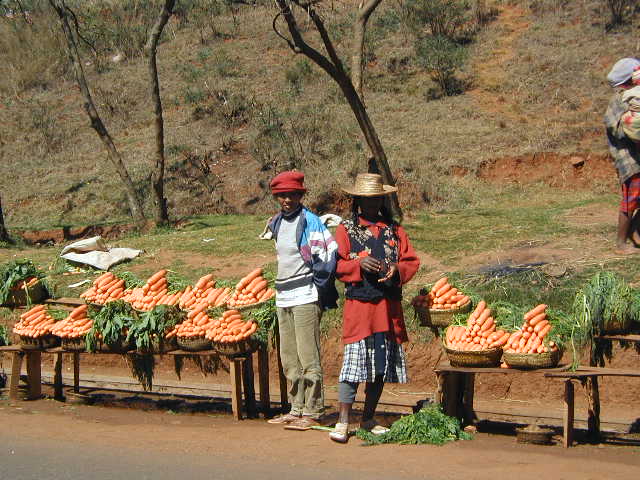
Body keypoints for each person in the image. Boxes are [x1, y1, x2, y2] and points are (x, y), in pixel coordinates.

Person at [329, 173, 419, 443]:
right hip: (359, 309)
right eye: (366, 200)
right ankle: (343, 420)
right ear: (357, 201)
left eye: (376, 199)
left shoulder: (395, 230)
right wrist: (359, 265)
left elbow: (411, 261)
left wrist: (396, 269)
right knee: (353, 366)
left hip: (387, 308)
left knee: (380, 365)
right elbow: (336, 265)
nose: (371, 204)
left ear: (382, 199)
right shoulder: (345, 230)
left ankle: (368, 418)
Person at [265, 170, 338, 430]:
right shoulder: (275, 223)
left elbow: (329, 255)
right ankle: (296, 408)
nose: (288, 200)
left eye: (293, 195)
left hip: (306, 295)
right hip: (283, 296)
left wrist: (317, 287)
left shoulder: (310, 222)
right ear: (277, 197)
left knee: (308, 356)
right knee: (289, 357)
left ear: (300, 195)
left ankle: (314, 408)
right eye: (283, 195)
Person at [604, 57, 640, 254]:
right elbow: (616, 127)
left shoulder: (635, 97)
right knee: (630, 201)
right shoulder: (621, 99)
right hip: (630, 161)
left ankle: (635, 232)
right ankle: (621, 244)